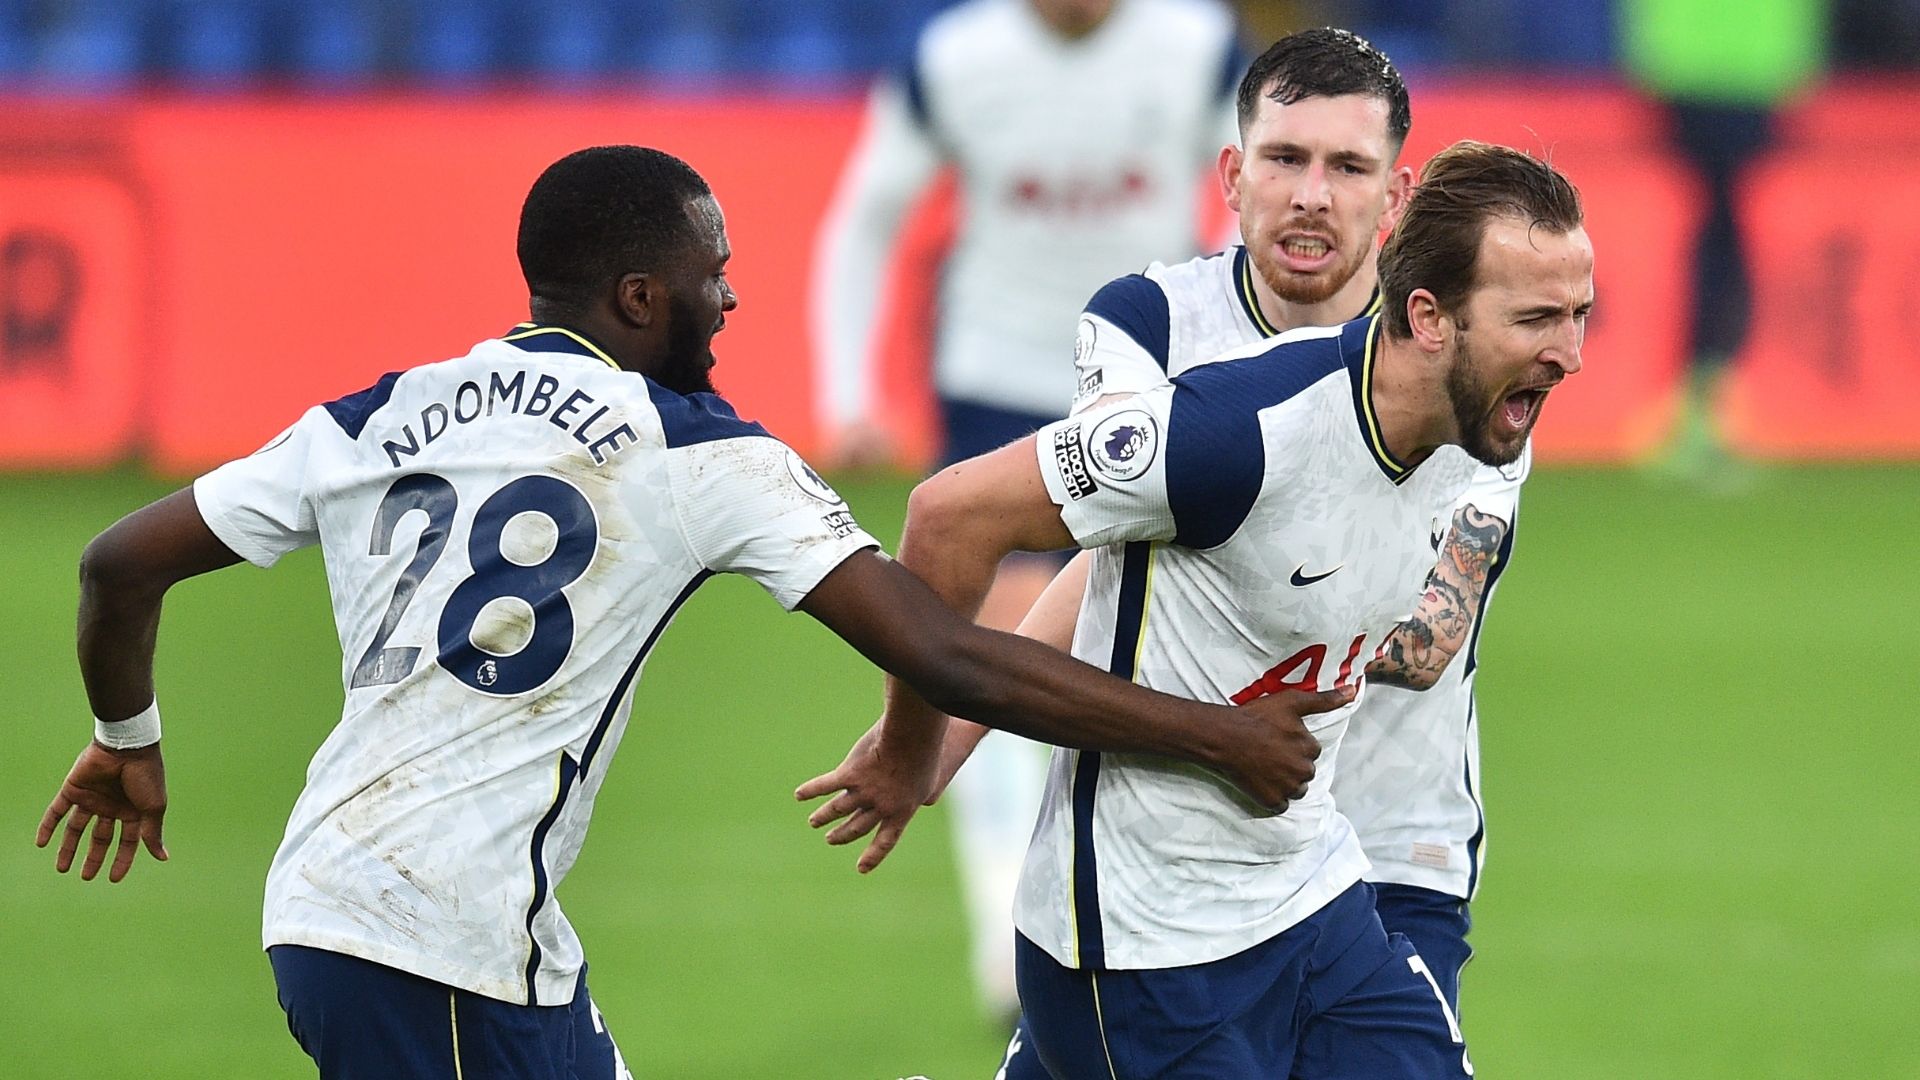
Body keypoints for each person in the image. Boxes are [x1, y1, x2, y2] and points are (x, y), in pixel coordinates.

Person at [34, 145, 1355, 1080]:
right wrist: (1216, 736)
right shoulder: (691, 449)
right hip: (443, 948)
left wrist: (126, 740)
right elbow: (949, 652)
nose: (731, 298)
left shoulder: (381, 412)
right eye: (715, 275)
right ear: (640, 299)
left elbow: (117, 565)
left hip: (349, 909)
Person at [803, 138, 1592, 1077]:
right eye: (1536, 318)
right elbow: (950, 515)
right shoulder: (1237, 436)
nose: (1571, 355)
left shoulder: (1482, 436)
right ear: (1428, 317)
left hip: (1309, 893)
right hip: (1139, 939)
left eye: (1579, 315)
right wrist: (911, 746)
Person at [947, 31, 1527, 1034]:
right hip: (1169, 862)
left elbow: (1429, 638)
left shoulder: (1467, 359)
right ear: (1231, 175)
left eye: (1349, 167)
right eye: (1284, 158)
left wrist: (1207, 569)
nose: (1312, 195)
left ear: (1396, 196)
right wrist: (947, 730)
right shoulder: (1150, 328)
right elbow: (1112, 559)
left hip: (1389, 845)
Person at [811, 0, 1247, 1016]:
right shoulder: (955, 57)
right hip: (997, 383)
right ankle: (1007, 927)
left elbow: (1254, 200)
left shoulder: (1197, 45)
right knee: (999, 647)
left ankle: (1130, 908)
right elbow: (867, 215)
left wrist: (1231, 338)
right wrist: (846, 392)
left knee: (1140, 642)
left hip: (1148, 386)